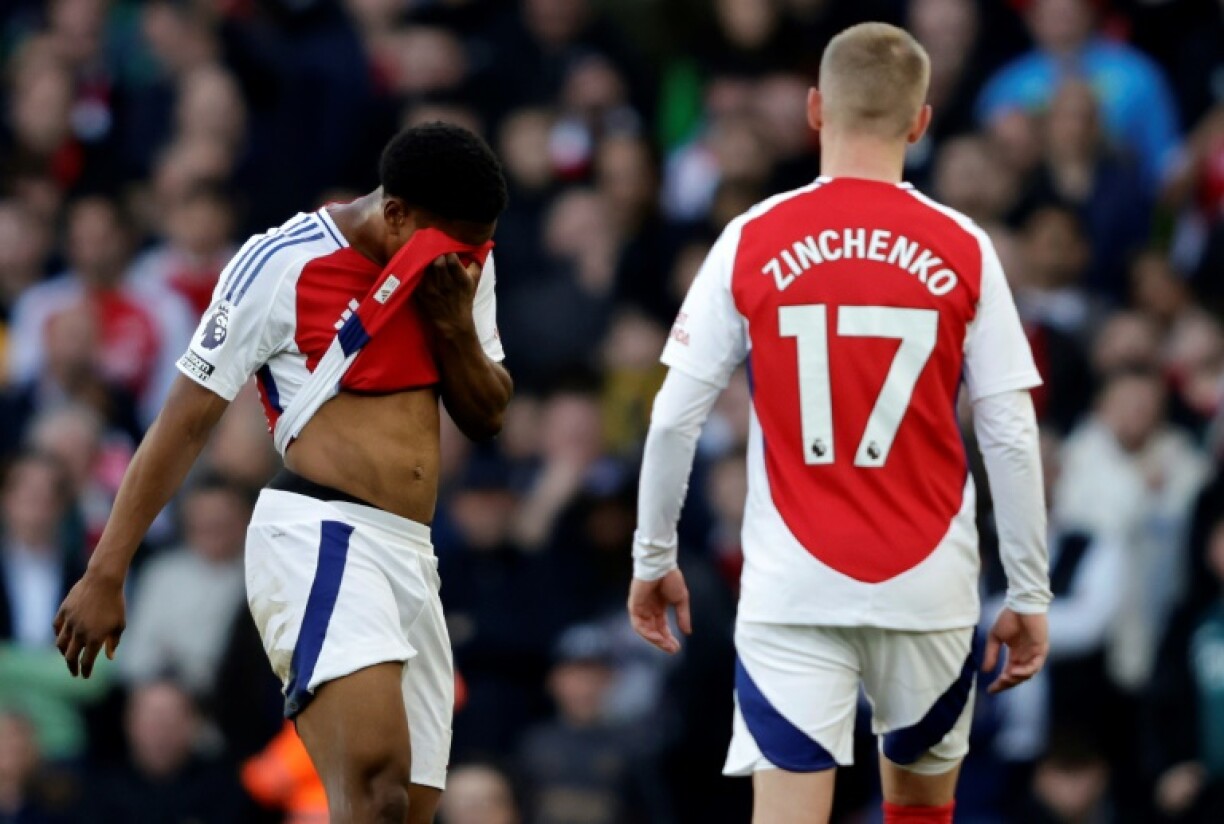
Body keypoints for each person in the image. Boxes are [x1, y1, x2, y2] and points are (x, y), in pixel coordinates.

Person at [629, 23, 1052, 824]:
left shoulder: (750, 237)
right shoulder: (965, 247)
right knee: (921, 814)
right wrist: (1029, 589)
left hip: (794, 582)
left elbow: (672, 417)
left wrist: (654, 556)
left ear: (816, 110)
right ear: (921, 122)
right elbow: (1010, 432)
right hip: (928, 582)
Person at [53, 121, 513, 824]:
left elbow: (488, 414)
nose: (470, 260)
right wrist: (107, 571)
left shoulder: (461, 261)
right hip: (320, 530)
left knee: (407, 811)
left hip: (413, 555)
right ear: (396, 214)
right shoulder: (281, 262)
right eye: (457, 245)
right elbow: (184, 421)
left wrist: (454, 324)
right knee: (376, 784)